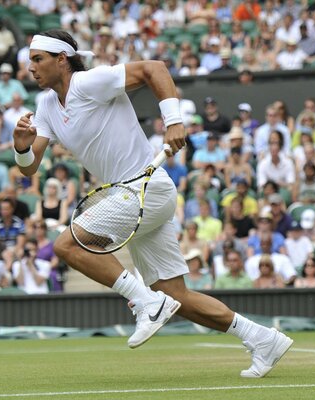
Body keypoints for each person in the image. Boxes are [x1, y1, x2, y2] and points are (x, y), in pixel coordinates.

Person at [15, 30, 292, 376]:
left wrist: (173, 121)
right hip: (132, 195)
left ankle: (144, 301)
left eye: (38, 59)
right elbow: (29, 168)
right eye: (30, 60)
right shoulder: (45, 107)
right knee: (176, 295)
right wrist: (22, 146)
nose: (30, 67)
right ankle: (263, 338)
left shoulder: (89, 82)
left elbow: (155, 69)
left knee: (67, 245)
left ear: (61, 60)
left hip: (145, 189)